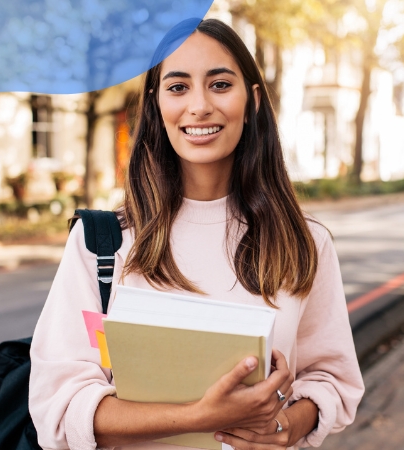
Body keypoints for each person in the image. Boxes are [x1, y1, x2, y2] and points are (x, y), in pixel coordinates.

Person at [29, 18, 365, 450]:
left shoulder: (305, 244)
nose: (200, 106)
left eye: (221, 84)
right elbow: (57, 406)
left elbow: (330, 380)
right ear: (156, 105)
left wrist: (284, 429)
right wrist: (198, 417)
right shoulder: (102, 245)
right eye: (178, 87)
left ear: (253, 100)